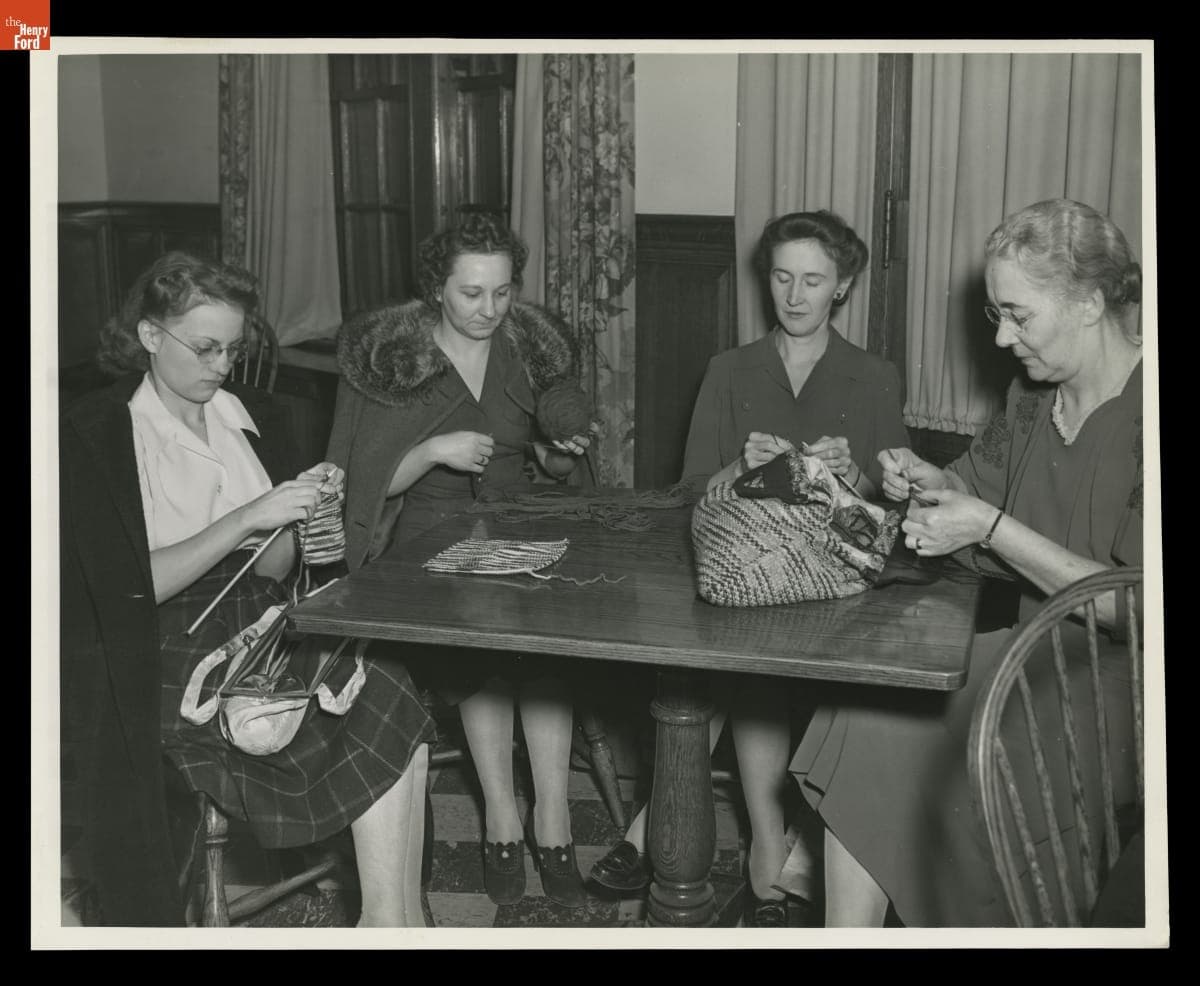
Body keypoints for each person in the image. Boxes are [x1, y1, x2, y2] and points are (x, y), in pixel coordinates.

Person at [790, 198, 1145, 926]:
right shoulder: (1029, 400)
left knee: (894, 730)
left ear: (1087, 303)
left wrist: (988, 524)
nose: (1006, 338)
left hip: (1125, 692)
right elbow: (975, 497)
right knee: (866, 699)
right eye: (995, 316)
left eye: (1020, 315)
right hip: (1030, 653)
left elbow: (1133, 608)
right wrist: (932, 482)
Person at [60, 251, 436, 927]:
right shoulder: (99, 431)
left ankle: (389, 920)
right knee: (358, 691)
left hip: (256, 616)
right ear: (150, 336)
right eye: (204, 348)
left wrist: (307, 523)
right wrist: (247, 518)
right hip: (159, 645)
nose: (220, 367)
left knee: (383, 677)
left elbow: (271, 569)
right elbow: (127, 586)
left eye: (232, 349)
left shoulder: (251, 415)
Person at [588, 210, 908, 926]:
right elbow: (691, 491)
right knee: (738, 651)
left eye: (814, 281)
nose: (794, 296)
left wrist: (850, 475)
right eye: (782, 277)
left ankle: (658, 828)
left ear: (843, 287)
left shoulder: (872, 376)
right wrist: (738, 466)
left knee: (741, 663)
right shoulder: (730, 370)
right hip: (742, 573)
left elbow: (888, 518)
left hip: (831, 583)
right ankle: (770, 856)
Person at [326, 213, 596, 908]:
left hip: (523, 522)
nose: (489, 310)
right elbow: (352, 486)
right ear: (436, 290)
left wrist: (557, 456)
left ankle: (554, 819)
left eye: (503, 292)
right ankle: (502, 819)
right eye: (472, 293)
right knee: (480, 653)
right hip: (427, 538)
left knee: (548, 652)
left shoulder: (529, 353)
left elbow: (558, 471)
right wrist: (429, 454)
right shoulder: (391, 361)